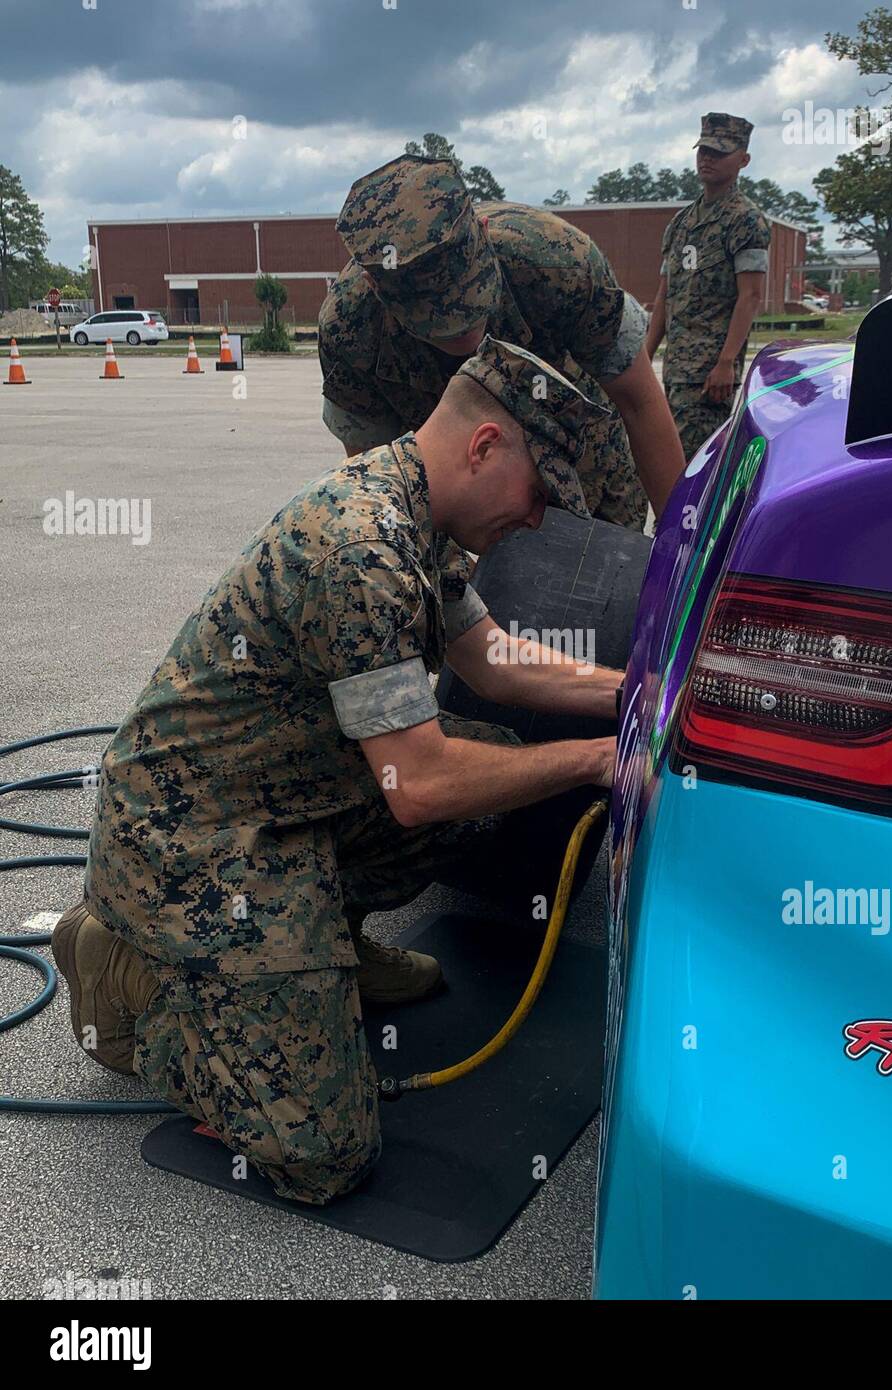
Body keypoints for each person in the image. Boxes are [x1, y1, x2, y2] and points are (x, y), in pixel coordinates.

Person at [52, 336, 623, 1206]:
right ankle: (131, 973)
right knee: (324, 1158)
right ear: (484, 448)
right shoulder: (360, 551)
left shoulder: (414, 510)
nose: (541, 518)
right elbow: (419, 783)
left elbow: (494, 660)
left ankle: (325, 946)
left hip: (279, 804)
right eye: (540, 492)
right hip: (191, 847)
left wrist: (639, 696)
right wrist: (599, 761)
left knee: (496, 773)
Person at [319, 154, 685, 528]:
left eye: (471, 293)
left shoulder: (558, 261)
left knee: (612, 574)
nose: (462, 327)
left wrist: (683, 545)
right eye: (435, 316)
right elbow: (385, 483)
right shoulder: (349, 329)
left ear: (483, 228)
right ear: (374, 285)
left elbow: (640, 404)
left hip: (586, 463)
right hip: (462, 492)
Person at [645, 113, 771, 461]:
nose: (707, 159)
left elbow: (751, 295)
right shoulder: (682, 223)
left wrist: (726, 363)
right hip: (674, 370)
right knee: (668, 459)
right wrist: (645, 357)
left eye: (719, 152)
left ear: (743, 160)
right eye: (703, 151)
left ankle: (688, 518)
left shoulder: (746, 221)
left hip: (708, 376)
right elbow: (664, 296)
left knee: (691, 464)